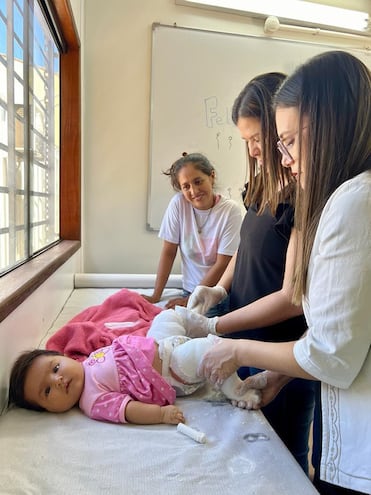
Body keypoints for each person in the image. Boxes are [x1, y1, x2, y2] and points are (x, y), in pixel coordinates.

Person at [199, 51, 371, 495]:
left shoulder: (350, 203)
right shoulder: (341, 198)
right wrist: (218, 293)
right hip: (315, 381)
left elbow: (329, 347)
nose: (284, 156)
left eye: (288, 140)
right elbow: (343, 329)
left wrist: (229, 343)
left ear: (331, 126)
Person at [185, 73, 315, 474]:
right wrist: (219, 290)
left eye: (258, 138)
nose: (255, 150)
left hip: (279, 352)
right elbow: (246, 248)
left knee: (282, 459)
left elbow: (292, 297)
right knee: (244, 453)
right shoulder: (261, 185)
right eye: (246, 143)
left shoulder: (303, 195)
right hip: (242, 340)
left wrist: (217, 326)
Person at [8, 309, 260, 425]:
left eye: (54, 368)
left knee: (167, 316)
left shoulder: (84, 362)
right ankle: (235, 388)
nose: (58, 380)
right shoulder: (92, 400)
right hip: (171, 372)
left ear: (63, 357)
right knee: (206, 351)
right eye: (47, 391)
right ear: (48, 410)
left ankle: (206, 322)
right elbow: (128, 410)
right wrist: (161, 415)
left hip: (160, 344)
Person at [141, 152, 242, 312]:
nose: (194, 191)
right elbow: (169, 252)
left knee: (196, 326)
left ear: (212, 176)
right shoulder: (178, 204)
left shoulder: (230, 211)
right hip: (189, 289)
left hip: (218, 291)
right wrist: (156, 295)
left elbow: (223, 263)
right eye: (186, 186)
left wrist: (191, 299)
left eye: (198, 181)